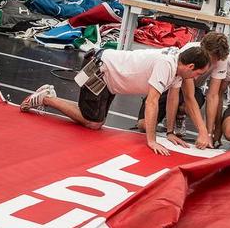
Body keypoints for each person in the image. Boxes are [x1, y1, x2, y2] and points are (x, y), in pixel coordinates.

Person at [20, 45, 211, 156]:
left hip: (110, 78)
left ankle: (48, 97)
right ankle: (46, 98)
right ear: (191, 66)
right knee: (94, 123)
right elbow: (152, 101)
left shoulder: (179, 67)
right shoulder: (166, 64)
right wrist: (151, 141)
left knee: (95, 119)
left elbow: (172, 99)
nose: (196, 78)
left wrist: (170, 132)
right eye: (198, 73)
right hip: (100, 71)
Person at [133, 31, 230, 149]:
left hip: (194, 89)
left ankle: (179, 117)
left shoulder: (221, 59)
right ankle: (168, 122)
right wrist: (201, 131)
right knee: (143, 125)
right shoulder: (190, 51)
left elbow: (213, 95)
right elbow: (187, 96)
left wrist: (208, 134)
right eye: (212, 59)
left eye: (216, 60)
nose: (213, 63)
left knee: (194, 98)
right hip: (169, 86)